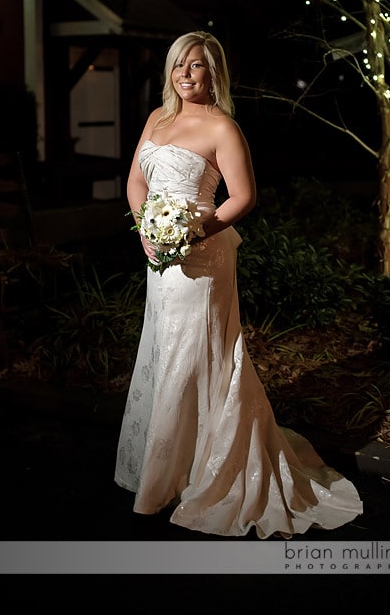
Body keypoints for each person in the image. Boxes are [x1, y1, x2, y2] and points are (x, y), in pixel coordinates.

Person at [114, 30, 363, 539]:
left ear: (214, 73)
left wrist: (189, 231)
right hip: (159, 257)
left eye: (198, 66)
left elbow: (242, 197)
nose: (186, 74)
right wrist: (148, 231)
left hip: (202, 258)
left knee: (195, 354)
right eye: (180, 64)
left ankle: (197, 472)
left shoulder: (222, 127)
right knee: (166, 351)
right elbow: (136, 182)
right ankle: (172, 466)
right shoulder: (156, 120)